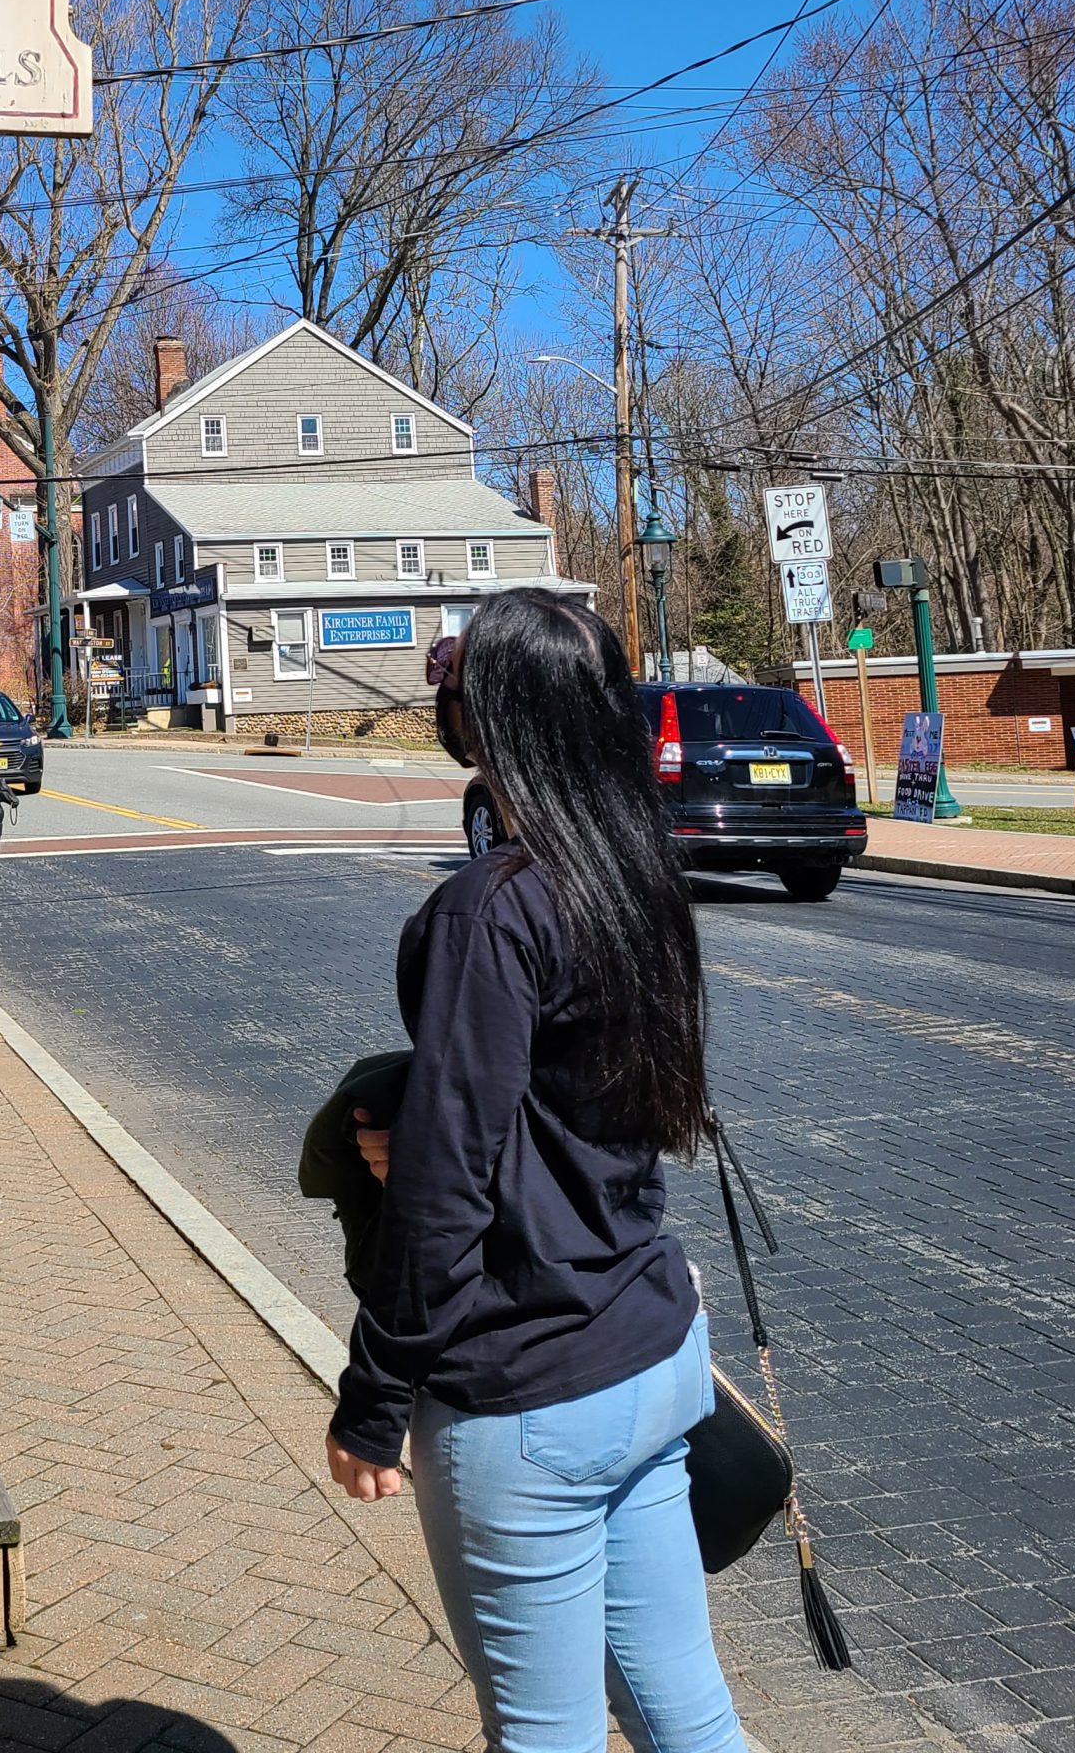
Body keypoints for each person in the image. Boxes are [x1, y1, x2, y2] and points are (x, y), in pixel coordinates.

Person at [326, 589, 746, 1752]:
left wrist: (371, 1399)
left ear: (491, 716)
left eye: (456, 684)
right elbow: (578, 1102)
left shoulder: (490, 911)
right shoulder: (635, 874)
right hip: (654, 1352)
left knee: (545, 1736)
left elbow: (447, 1188)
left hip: (528, 1391)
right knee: (688, 1711)